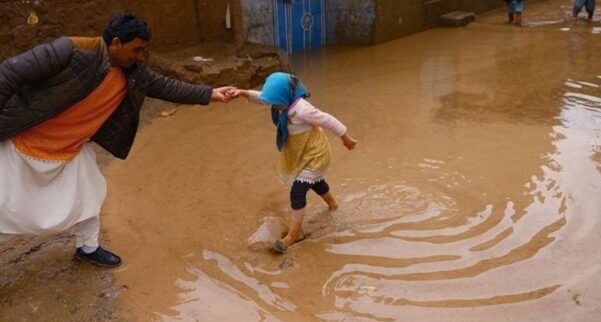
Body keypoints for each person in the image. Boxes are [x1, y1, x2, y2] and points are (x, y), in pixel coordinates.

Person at [0, 13, 235, 267]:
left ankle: (88, 248)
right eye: (136, 49)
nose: (141, 56)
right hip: (25, 142)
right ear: (115, 43)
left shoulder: (133, 72)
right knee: (5, 206)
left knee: (90, 195)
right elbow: (9, 73)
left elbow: (166, 86)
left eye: (144, 50)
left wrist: (210, 93)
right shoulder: (70, 50)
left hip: (71, 149)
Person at [232, 72, 357, 253]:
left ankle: (293, 235)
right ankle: (333, 205)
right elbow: (261, 98)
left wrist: (346, 138)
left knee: (298, 191)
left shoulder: (303, 109)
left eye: (275, 103)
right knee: (316, 182)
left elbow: (328, 119)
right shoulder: (280, 101)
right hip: (300, 153)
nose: (272, 106)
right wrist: (243, 93)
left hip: (315, 154)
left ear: (284, 97)